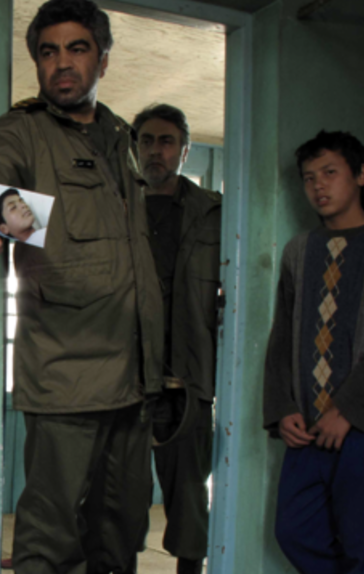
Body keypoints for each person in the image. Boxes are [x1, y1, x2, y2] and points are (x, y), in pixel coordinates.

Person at [0, 0, 163, 571]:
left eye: (77, 48)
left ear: (103, 59)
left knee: (122, 534)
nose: (62, 63)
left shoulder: (121, 136)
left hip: (136, 378)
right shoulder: (25, 132)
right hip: (67, 374)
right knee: (49, 541)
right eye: (48, 52)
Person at [263, 130, 364, 574]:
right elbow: (282, 339)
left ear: (362, 175)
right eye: (309, 178)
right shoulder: (299, 251)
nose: (318, 186)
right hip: (308, 427)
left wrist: (347, 410)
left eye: (330, 173)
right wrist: (282, 409)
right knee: (294, 531)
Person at [132, 103, 221, 574]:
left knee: (189, 497)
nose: (155, 151)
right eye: (146, 141)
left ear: (185, 151)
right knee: (121, 499)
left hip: (188, 377)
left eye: (166, 142)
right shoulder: (118, 208)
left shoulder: (213, 212)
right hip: (126, 374)